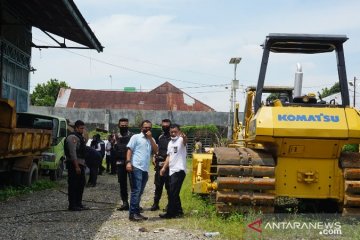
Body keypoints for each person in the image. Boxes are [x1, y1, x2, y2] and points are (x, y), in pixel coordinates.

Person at [126, 120, 158, 221]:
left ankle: (137, 212)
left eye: (149, 127)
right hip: (136, 167)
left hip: (145, 169)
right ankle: (132, 214)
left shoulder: (151, 139)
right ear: (141, 128)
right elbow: (129, 150)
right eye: (145, 127)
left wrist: (151, 139)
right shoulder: (136, 137)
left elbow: (156, 150)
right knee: (136, 191)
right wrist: (128, 162)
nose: (147, 129)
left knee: (140, 191)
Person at [159, 124, 187, 219]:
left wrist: (184, 137)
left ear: (179, 131)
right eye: (172, 132)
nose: (173, 133)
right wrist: (164, 168)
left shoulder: (181, 140)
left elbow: (185, 141)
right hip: (171, 170)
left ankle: (170, 213)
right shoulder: (170, 143)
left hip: (179, 170)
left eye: (175, 131)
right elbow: (168, 156)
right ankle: (179, 211)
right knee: (174, 192)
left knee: (172, 192)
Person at [64, 120, 89, 211]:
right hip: (74, 164)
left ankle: (78, 203)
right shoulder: (72, 137)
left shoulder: (79, 137)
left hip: (80, 164)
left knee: (80, 184)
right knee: (73, 185)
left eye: (83, 128)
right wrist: (76, 166)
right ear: (76, 128)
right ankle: (72, 205)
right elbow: (72, 153)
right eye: (81, 128)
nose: (83, 130)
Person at [150, 119, 171, 211]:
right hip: (159, 164)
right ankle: (155, 203)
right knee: (158, 185)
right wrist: (154, 156)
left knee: (169, 186)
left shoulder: (173, 137)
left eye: (167, 126)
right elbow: (157, 149)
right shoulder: (161, 137)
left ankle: (169, 205)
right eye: (163, 126)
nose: (165, 127)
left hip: (170, 165)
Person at [113, 118, 133, 211]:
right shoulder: (115, 136)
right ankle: (125, 203)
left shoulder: (132, 136)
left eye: (125, 125)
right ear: (119, 125)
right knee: (122, 184)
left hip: (131, 162)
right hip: (120, 162)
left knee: (133, 184)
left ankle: (135, 203)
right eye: (122, 125)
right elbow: (113, 149)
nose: (124, 127)